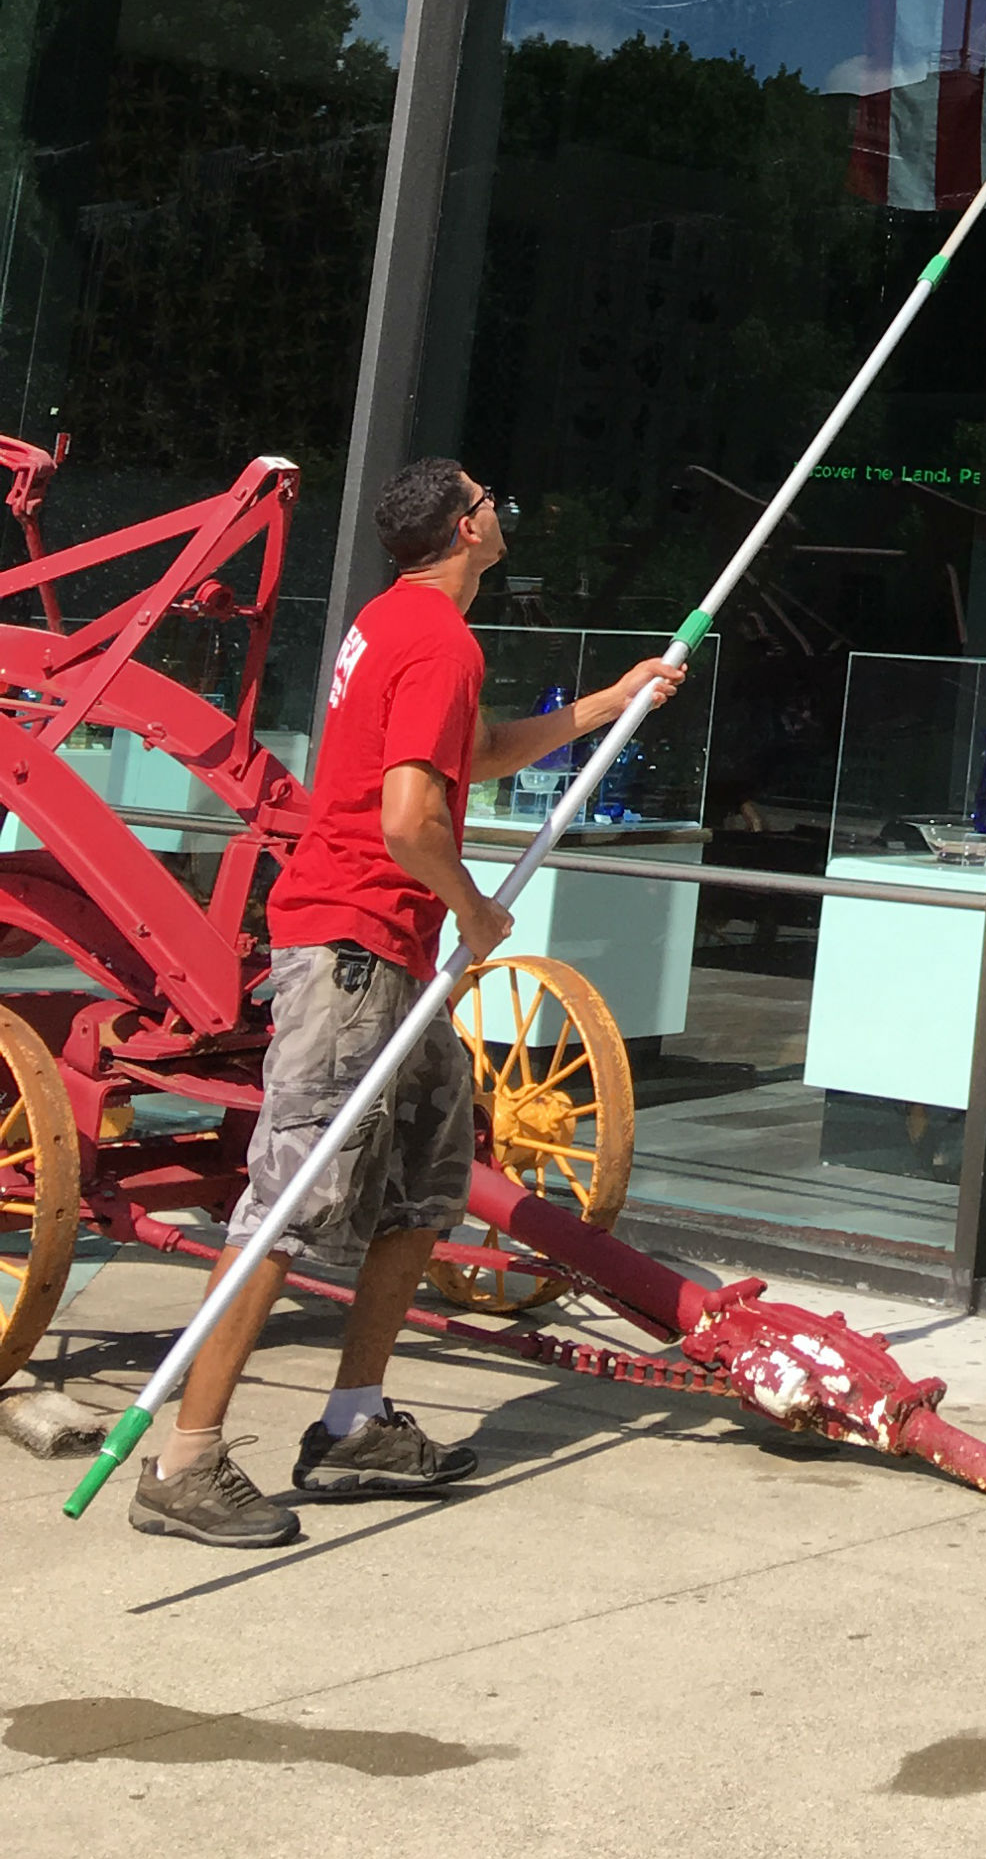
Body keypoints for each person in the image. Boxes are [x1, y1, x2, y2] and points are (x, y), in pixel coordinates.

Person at [130, 457, 685, 1551]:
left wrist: (608, 705)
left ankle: (353, 1424)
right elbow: (407, 822)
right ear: (469, 527)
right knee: (291, 1202)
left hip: (389, 958)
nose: (504, 514)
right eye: (497, 501)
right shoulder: (437, 638)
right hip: (352, 952)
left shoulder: (398, 625)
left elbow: (465, 758)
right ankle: (186, 1458)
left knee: (425, 1184)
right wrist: (474, 909)